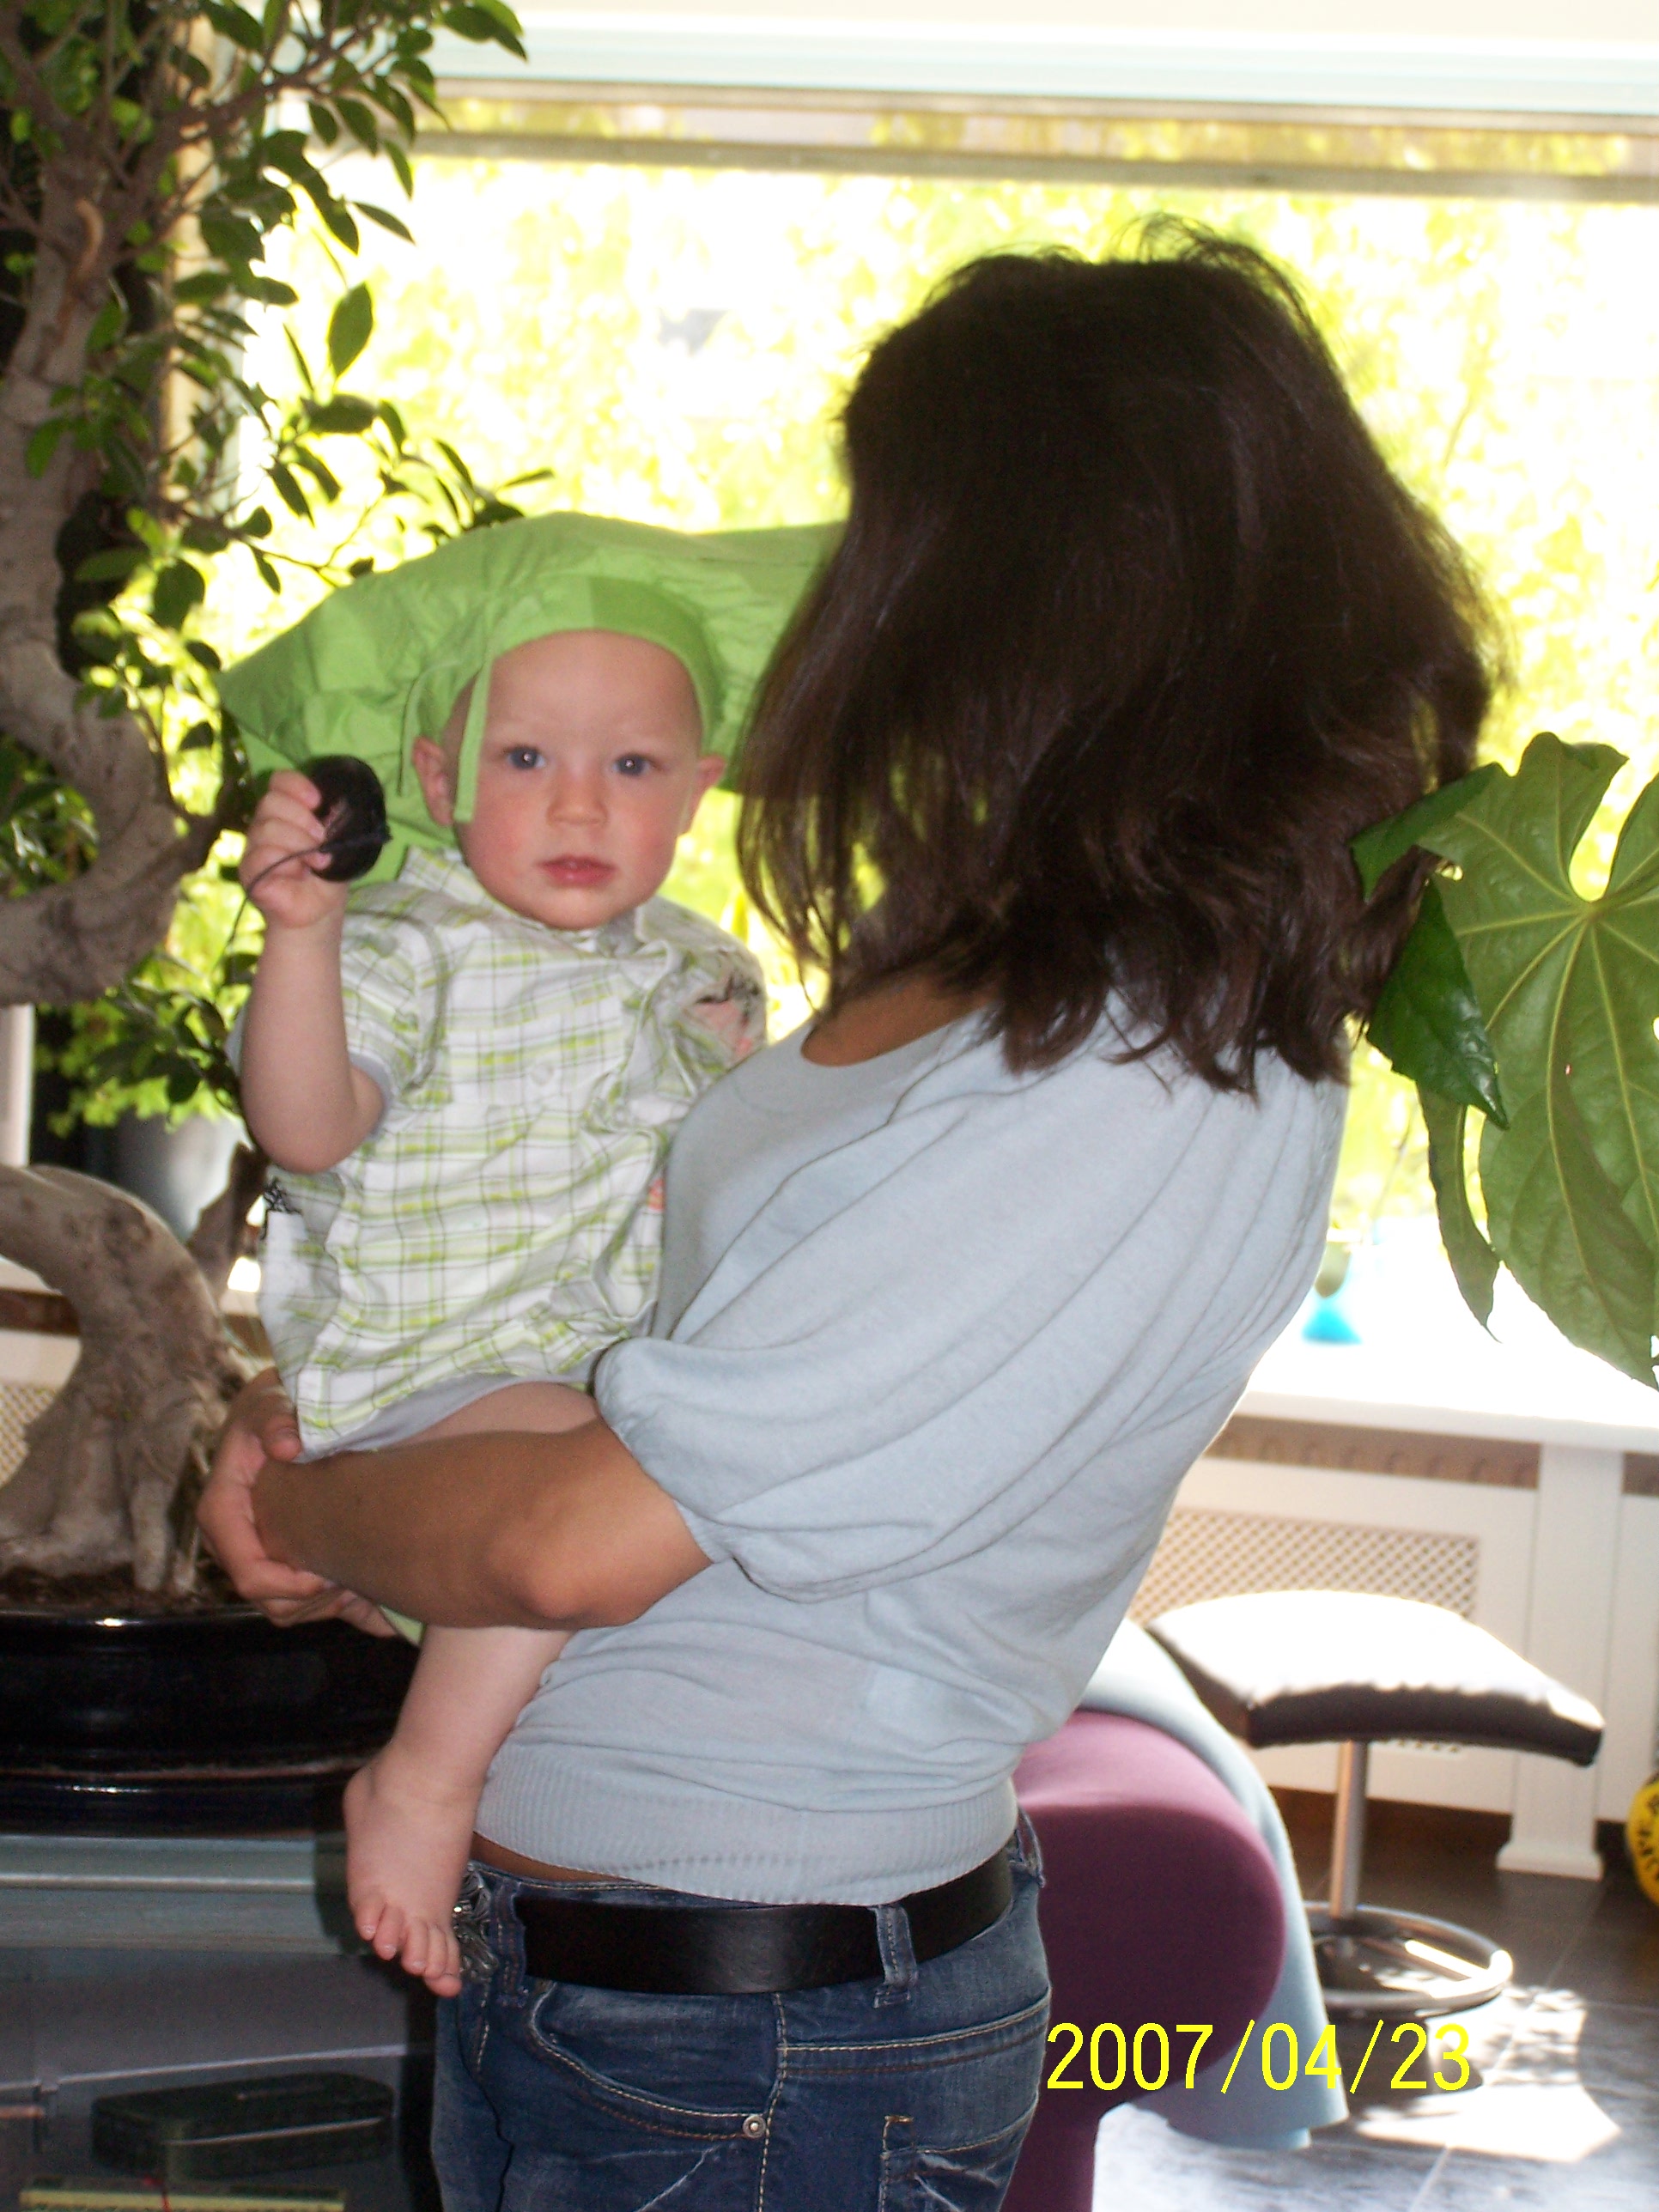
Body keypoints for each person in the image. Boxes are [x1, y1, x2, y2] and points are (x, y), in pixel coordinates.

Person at [202, 228, 1491, 2210]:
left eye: (899, 541)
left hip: (755, 2028)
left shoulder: (1158, 1067)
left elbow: (576, 1533)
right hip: (600, 1976)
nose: (852, 602)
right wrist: (341, 1434)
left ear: (1042, 601)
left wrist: (306, 1506)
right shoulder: (990, 969)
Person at [222, 515, 830, 1996]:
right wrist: (301, 938)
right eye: (525, 758)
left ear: (701, 787)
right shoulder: (410, 943)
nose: (579, 802)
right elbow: (307, 1127)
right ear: (438, 782)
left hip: (591, 1371)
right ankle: (420, 1777)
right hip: (425, 1360)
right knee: (588, 1467)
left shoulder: (707, 967)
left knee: (623, 1473)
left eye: (633, 766)